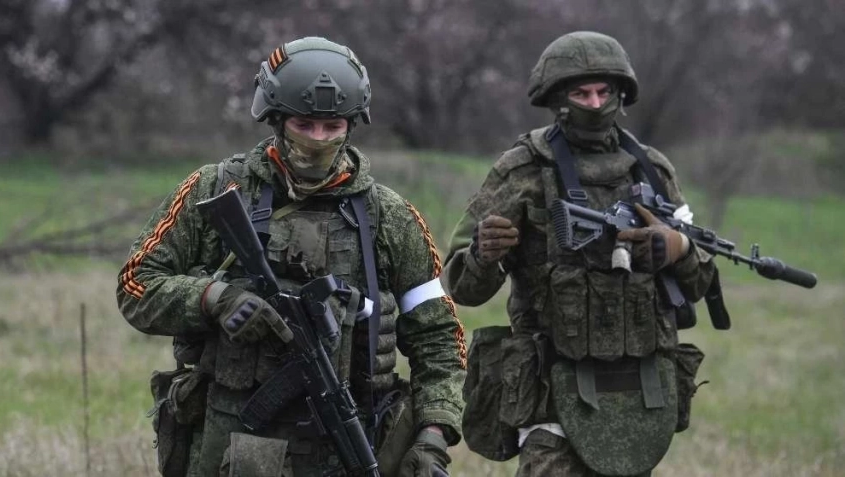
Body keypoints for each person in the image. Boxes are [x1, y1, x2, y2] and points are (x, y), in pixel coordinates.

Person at [117, 36, 467, 477]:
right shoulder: (216, 189)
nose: (318, 139)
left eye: (332, 127)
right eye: (304, 125)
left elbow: (439, 339)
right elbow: (136, 284)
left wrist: (434, 433)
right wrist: (213, 298)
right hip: (231, 444)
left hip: (351, 440)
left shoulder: (390, 216)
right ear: (276, 119)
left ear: (351, 125)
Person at [443, 31, 716, 477]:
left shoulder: (652, 170)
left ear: (620, 94)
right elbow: (461, 286)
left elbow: (700, 282)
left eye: (604, 92)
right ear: (557, 98)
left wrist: (678, 249)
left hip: (639, 392)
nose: (595, 103)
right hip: (551, 386)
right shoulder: (523, 170)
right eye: (581, 93)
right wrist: (483, 253)